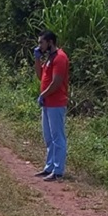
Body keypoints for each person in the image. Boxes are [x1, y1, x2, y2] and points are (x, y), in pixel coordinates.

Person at [33, 30, 70, 182]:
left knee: (57, 137)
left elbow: (56, 82)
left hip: (56, 103)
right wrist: (37, 59)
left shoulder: (60, 58)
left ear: (50, 42)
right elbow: (40, 76)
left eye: (41, 42)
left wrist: (43, 95)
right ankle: (49, 167)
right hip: (47, 103)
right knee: (48, 137)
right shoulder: (49, 58)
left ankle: (58, 170)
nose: (39, 45)